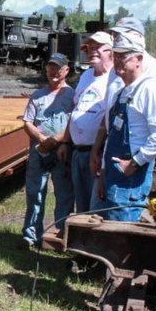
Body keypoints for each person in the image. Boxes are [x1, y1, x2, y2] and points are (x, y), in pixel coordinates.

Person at [90, 33, 156, 222]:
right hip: (113, 179)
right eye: (115, 56)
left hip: (129, 183)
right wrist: (104, 173)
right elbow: (112, 136)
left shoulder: (150, 89)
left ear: (139, 59)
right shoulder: (122, 92)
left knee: (122, 238)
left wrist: (135, 163)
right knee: (111, 234)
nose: (118, 61)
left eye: (124, 56)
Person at [21, 53, 75, 246]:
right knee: (35, 193)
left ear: (66, 71)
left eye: (58, 68)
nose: (54, 72)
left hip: (62, 151)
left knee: (64, 194)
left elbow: (73, 123)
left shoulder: (72, 96)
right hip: (38, 151)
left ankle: (60, 236)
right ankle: (31, 236)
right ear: (45, 69)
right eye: (50, 67)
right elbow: (27, 123)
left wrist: (56, 140)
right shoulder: (37, 96)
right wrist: (42, 139)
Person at [58, 31, 113, 213]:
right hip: (77, 151)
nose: (92, 52)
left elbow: (108, 120)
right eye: (89, 48)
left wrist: (96, 152)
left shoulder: (115, 78)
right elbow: (76, 110)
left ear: (110, 51)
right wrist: (65, 141)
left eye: (97, 48)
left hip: (97, 154)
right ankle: (81, 240)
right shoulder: (86, 76)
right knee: (81, 205)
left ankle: (94, 241)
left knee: (96, 205)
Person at [109, 17, 156, 88]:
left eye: (120, 34)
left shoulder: (153, 67)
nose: (117, 39)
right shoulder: (116, 66)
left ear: (138, 36)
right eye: (115, 34)